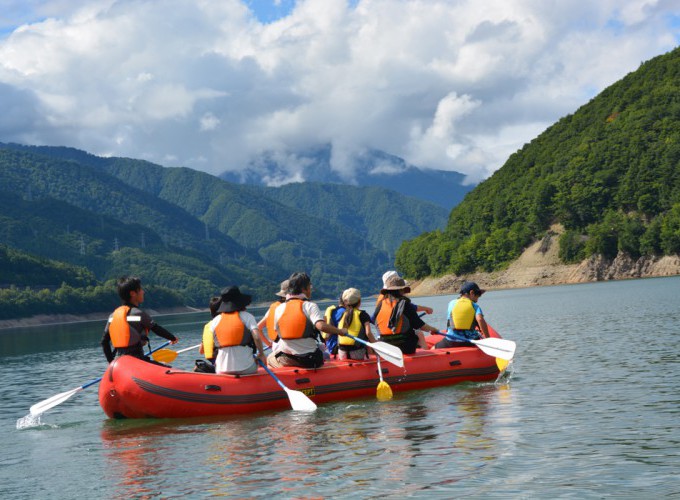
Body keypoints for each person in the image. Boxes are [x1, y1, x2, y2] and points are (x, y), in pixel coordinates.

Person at [267, 272, 348, 369]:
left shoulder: (279, 308)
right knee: (324, 353)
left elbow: (276, 330)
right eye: (310, 286)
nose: (311, 289)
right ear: (304, 289)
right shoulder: (310, 306)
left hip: (287, 358)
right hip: (310, 359)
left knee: (269, 358)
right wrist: (340, 331)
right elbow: (321, 326)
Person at [101, 276, 179, 364]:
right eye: (140, 289)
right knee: (168, 370)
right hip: (137, 360)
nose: (143, 292)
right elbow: (156, 329)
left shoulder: (112, 316)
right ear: (133, 293)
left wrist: (111, 363)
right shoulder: (139, 314)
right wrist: (172, 338)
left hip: (120, 362)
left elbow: (104, 342)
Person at [372, 274, 439, 354]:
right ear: (401, 290)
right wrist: (434, 329)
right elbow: (421, 326)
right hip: (405, 347)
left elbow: (373, 320)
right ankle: (426, 355)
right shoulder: (405, 305)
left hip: (386, 346)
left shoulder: (381, 304)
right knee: (418, 333)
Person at [209, 286, 266, 375]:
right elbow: (257, 337)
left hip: (221, 369)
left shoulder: (215, 321)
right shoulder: (247, 316)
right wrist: (261, 354)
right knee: (258, 361)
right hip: (247, 368)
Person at [434, 281, 490, 349]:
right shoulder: (475, 306)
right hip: (469, 341)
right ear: (472, 293)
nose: (477, 299)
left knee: (435, 347)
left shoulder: (451, 303)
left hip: (451, 340)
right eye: (478, 295)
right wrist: (488, 339)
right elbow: (480, 319)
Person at [332, 288, 377, 361]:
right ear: (359, 301)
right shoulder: (362, 314)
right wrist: (376, 346)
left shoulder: (343, 314)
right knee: (370, 343)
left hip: (342, 353)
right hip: (357, 353)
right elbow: (368, 333)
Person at [257, 280, 289, 349]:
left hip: (275, 345)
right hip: (286, 346)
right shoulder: (288, 307)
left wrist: (269, 344)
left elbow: (258, 327)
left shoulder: (273, 307)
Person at [195, 295, 221, 373]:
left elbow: (201, 351)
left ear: (210, 311)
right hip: (226, 364)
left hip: (216, 364)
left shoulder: (207, 326)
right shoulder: (225, 324)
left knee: (198, 367)